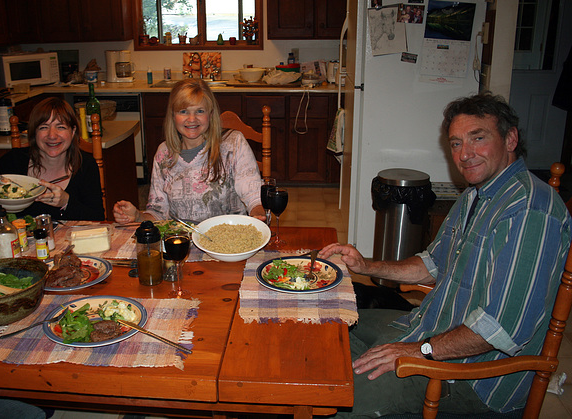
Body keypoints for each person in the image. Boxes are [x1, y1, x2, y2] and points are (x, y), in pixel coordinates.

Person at [319, 92, 571, 417]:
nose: (465, 154)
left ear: (510, 139)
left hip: (473, 377)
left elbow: (502, 329)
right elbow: (432, 263)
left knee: (333, 397)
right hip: (430, 327)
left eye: (477, 138)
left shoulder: (528, 211)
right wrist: (365, 265)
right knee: (325, 332)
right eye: (455, 143)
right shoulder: (476, 195)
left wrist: (418, 351)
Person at [113, 78, 264, 224]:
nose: (192, 119)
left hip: (228, 238)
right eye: (183, 111)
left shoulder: (233, 143)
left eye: (199, 111)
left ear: (210, 115)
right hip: (182, 241)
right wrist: (138, 216)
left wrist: (258, 212)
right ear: (173, 116)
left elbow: (253, 193)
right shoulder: (163, 153)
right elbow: (158, 212)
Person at [0, 97, 105, 221]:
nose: (52, 135)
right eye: (44, 127)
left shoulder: (85, 165)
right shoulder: (16, 160)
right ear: (34, 133)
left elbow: (97, 218)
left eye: (61, 127)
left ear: (73, 131)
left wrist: (66, 202)